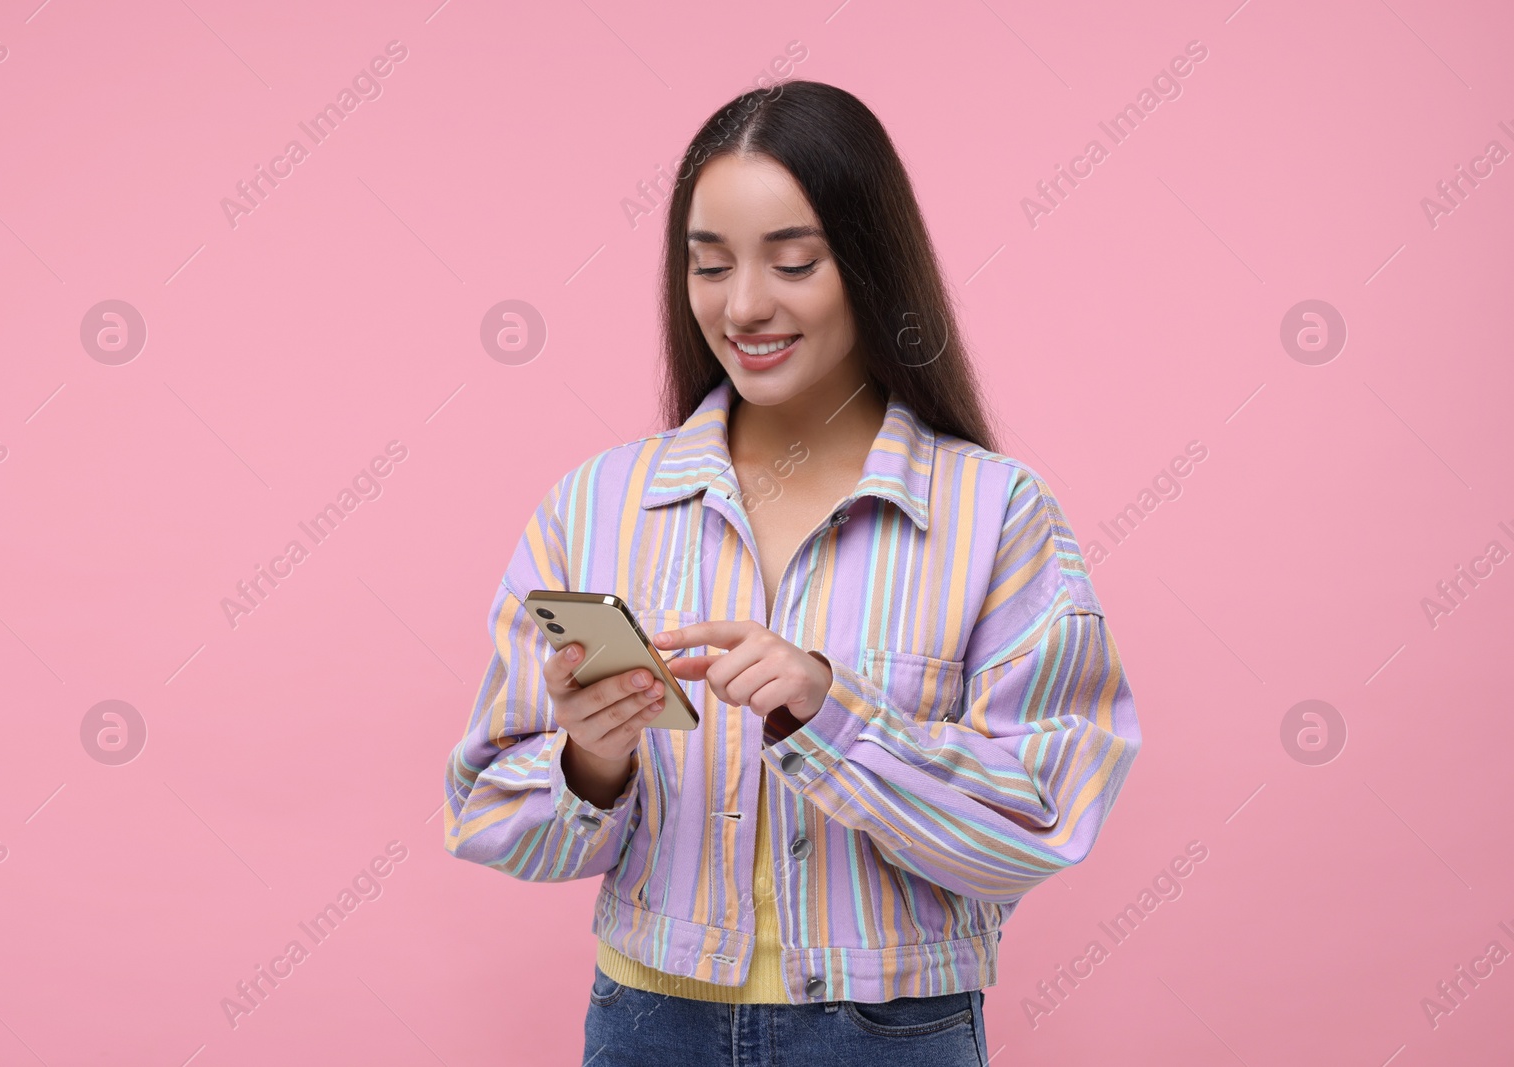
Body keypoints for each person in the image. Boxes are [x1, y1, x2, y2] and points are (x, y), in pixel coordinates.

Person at [444, 79, 1142, 1067]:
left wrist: (832, 710)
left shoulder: (996, 514)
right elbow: (489, 813)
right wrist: (590, 760)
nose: (743, 305)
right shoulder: (592, 507)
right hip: (649, 1028)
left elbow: (1045, 816)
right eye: (709, 265)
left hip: (895, 1033)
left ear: (868, 262)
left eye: (794, 262)